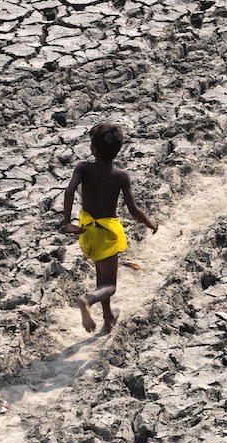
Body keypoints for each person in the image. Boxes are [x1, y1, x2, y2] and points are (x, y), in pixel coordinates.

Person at [61, 122, 159, 333]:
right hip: (107, 234)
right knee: (110, 286)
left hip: (86, 230)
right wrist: (149, 222)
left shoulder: (83, 168)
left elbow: (69, 191)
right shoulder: (121, 175)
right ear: (118, 149)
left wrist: (68, 223)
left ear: (93, 148)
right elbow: (133, 209)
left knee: (101, 274)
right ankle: (88, 300)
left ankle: (108, 317)